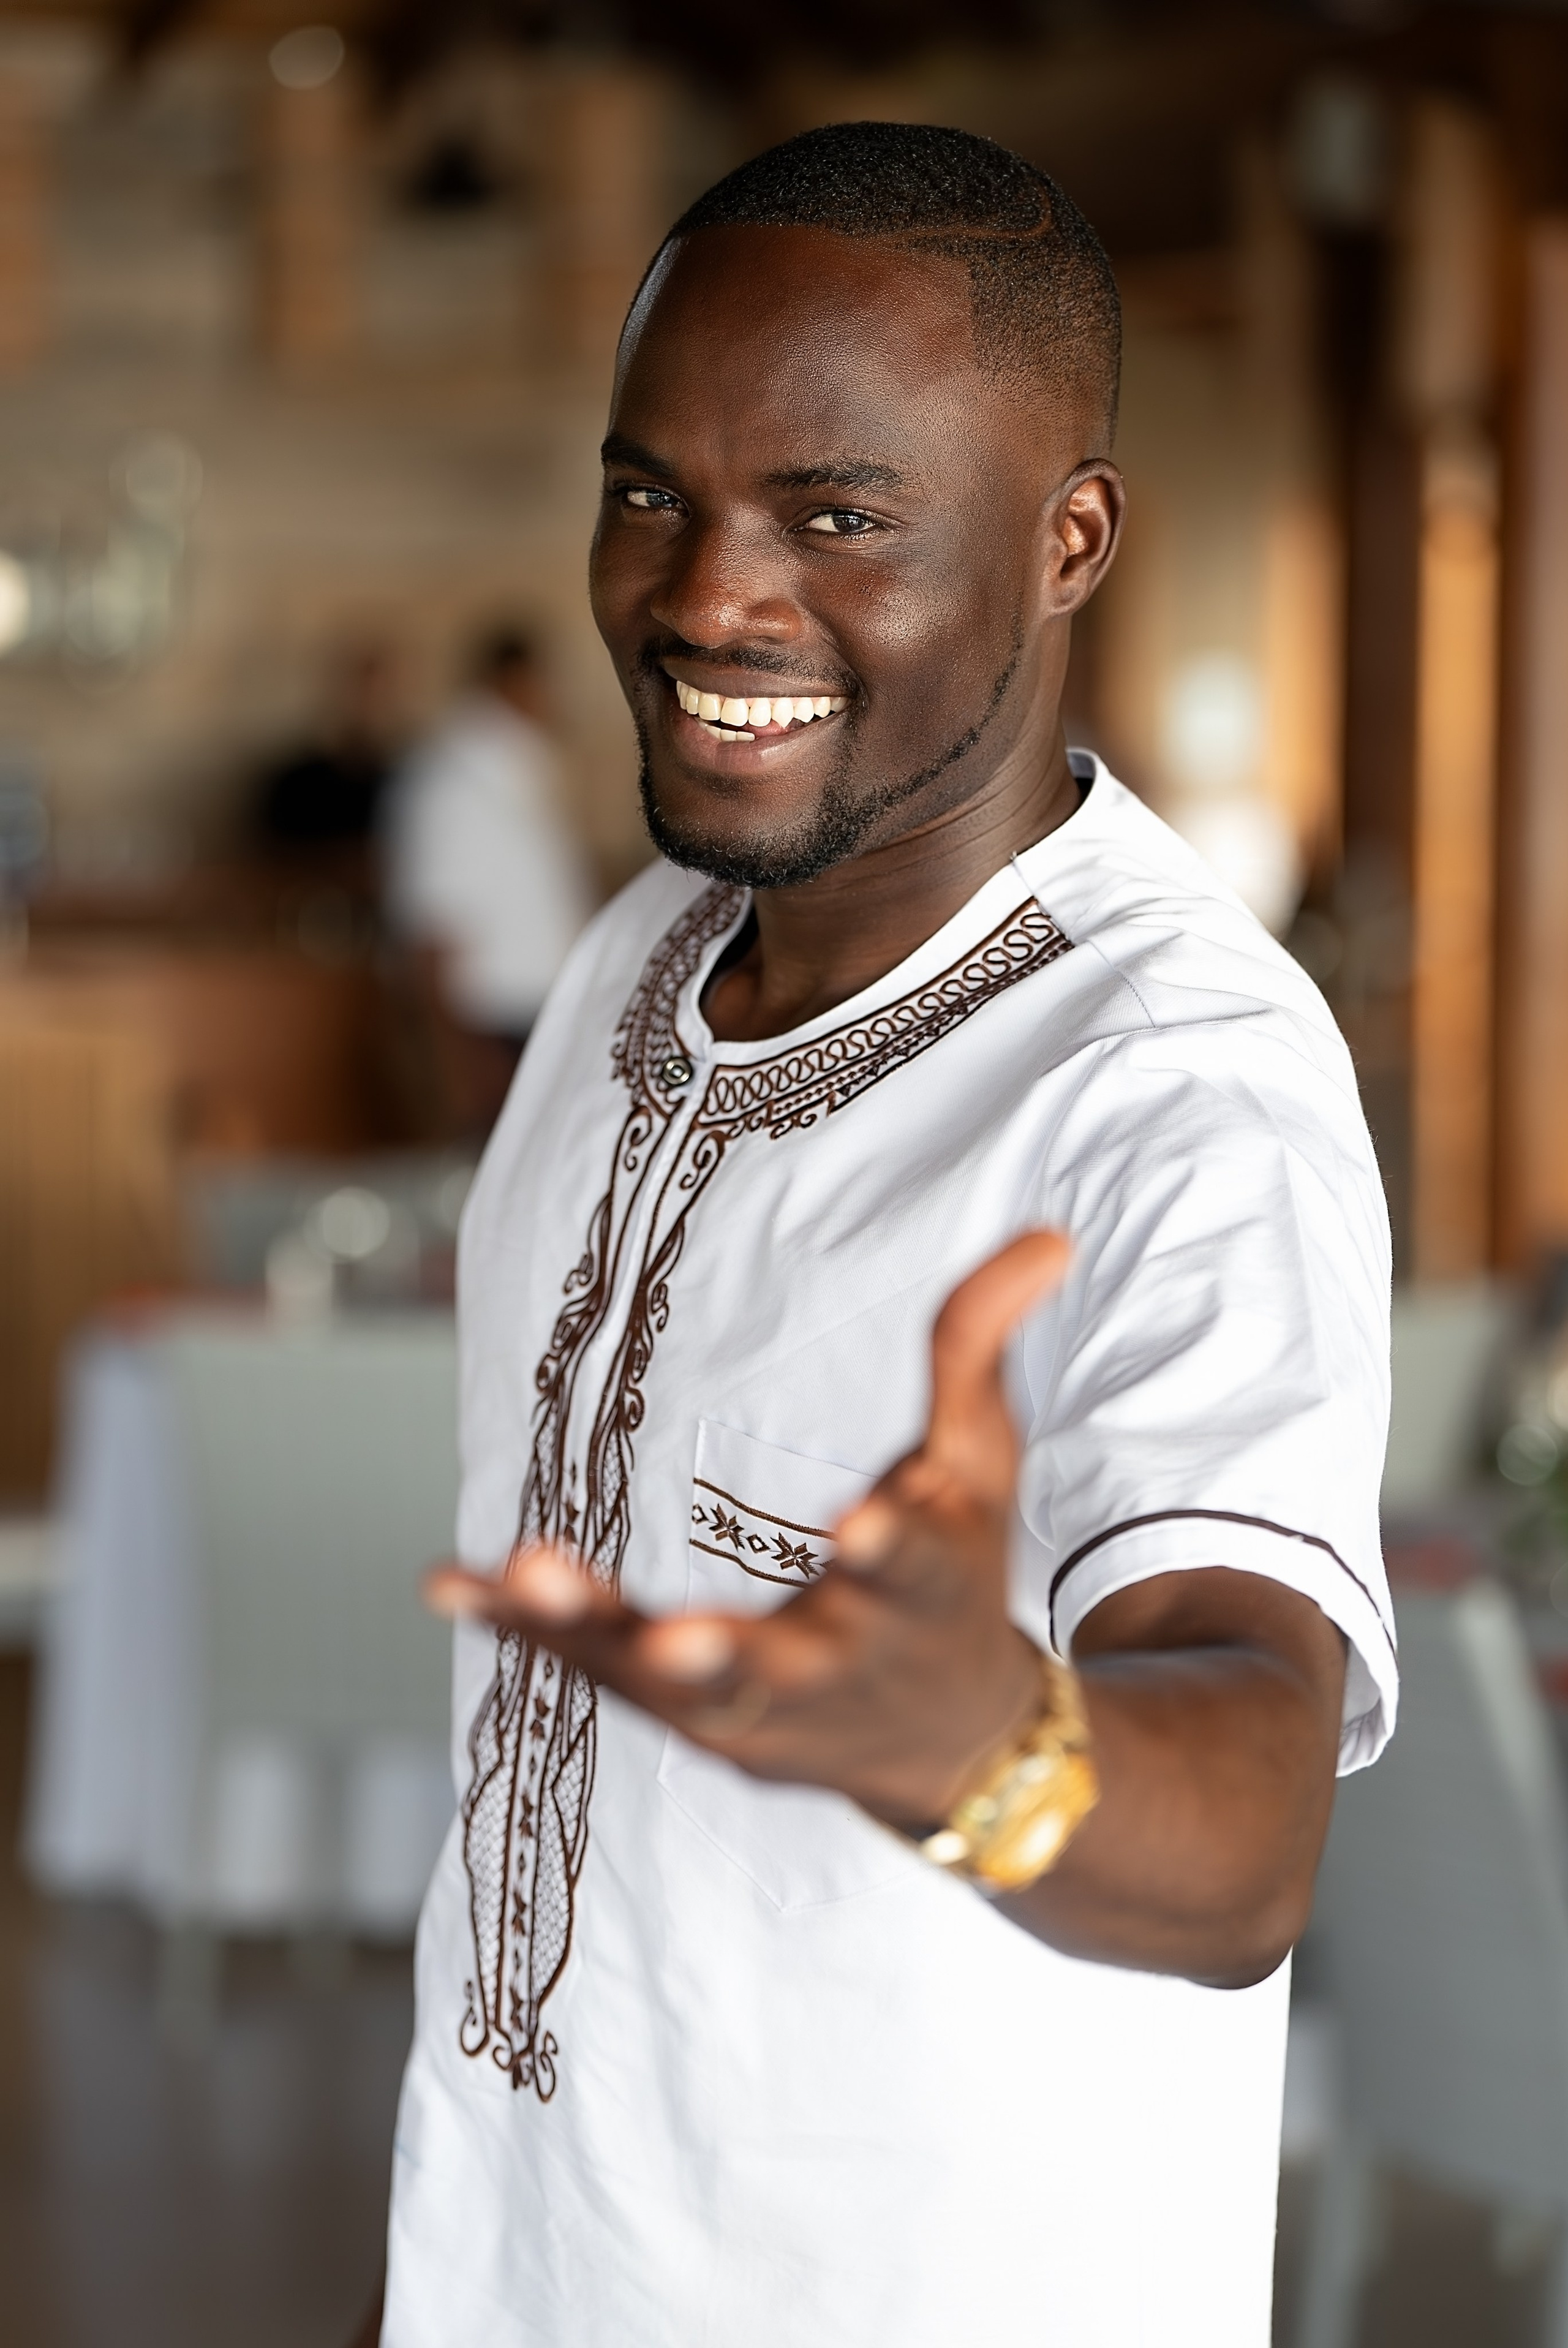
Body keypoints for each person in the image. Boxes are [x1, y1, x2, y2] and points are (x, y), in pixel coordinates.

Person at [369, 124, 1394, 2347]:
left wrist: (991, 1741)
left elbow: (1241, 1827)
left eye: (837, 515)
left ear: (1066, 541)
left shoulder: (1170, 1081)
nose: (706, 596)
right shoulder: (626, 964)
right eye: (650, 491)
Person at [381, 626, 595, 1133]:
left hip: (538, 1023)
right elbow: (431, 928)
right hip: (490, 1033)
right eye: (541, 682)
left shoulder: (516, 771)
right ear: (510, 682)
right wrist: (458, 1060)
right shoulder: (451, 781)